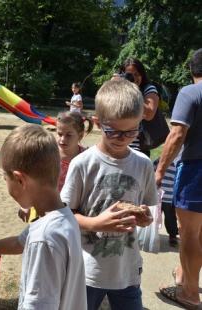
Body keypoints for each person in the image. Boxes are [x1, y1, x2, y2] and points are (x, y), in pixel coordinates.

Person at [61, 79, 156, 310]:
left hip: (127, 270)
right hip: (87, 271)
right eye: (114, 131)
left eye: (131, 131)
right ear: (98, 122)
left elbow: (146, 210)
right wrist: (95, 223)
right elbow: (64, 215)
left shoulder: (143, 164)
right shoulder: (83, 164)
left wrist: (145, 217)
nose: (123, 138)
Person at [0, 124, 86, 310]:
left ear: (20, 179)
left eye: (4, 177)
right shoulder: (61, 217)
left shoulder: (44, 238)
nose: (5, 182)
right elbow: (19, 243)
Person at [156, 48, 202, 310]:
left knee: (189, 234)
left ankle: (190, 294)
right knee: (201, 233)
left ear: (191, 70)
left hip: (196, 169)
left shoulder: (190, 92)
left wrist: (160, 170)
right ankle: (184, 278)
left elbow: (176, 134)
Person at [18, 111, 93, 222]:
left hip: (75, 212)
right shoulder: (48, 154)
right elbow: (34, 181)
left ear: (80, 135)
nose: (62, 139)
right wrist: (27, 204)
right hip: (47, 208)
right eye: (59, 134)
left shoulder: (87, 157)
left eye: (69, 135)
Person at [120, 58, 160, 156]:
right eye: (129, 75)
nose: (133, 78)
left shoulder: (148, 89)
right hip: (119, 143)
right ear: (123, 75)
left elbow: (149, 114)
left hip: (138, 148)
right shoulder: (119, 88)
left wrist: (132, 91)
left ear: (142, 75)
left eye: (137, 74)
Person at [153, 153, 180, 247]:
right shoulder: (160, 160)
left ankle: (172, 235)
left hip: (170, 197)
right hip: (158, 195)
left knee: (171, 218)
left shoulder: (181, 162)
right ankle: (152, 233)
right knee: (155, 216)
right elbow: (152, 170)